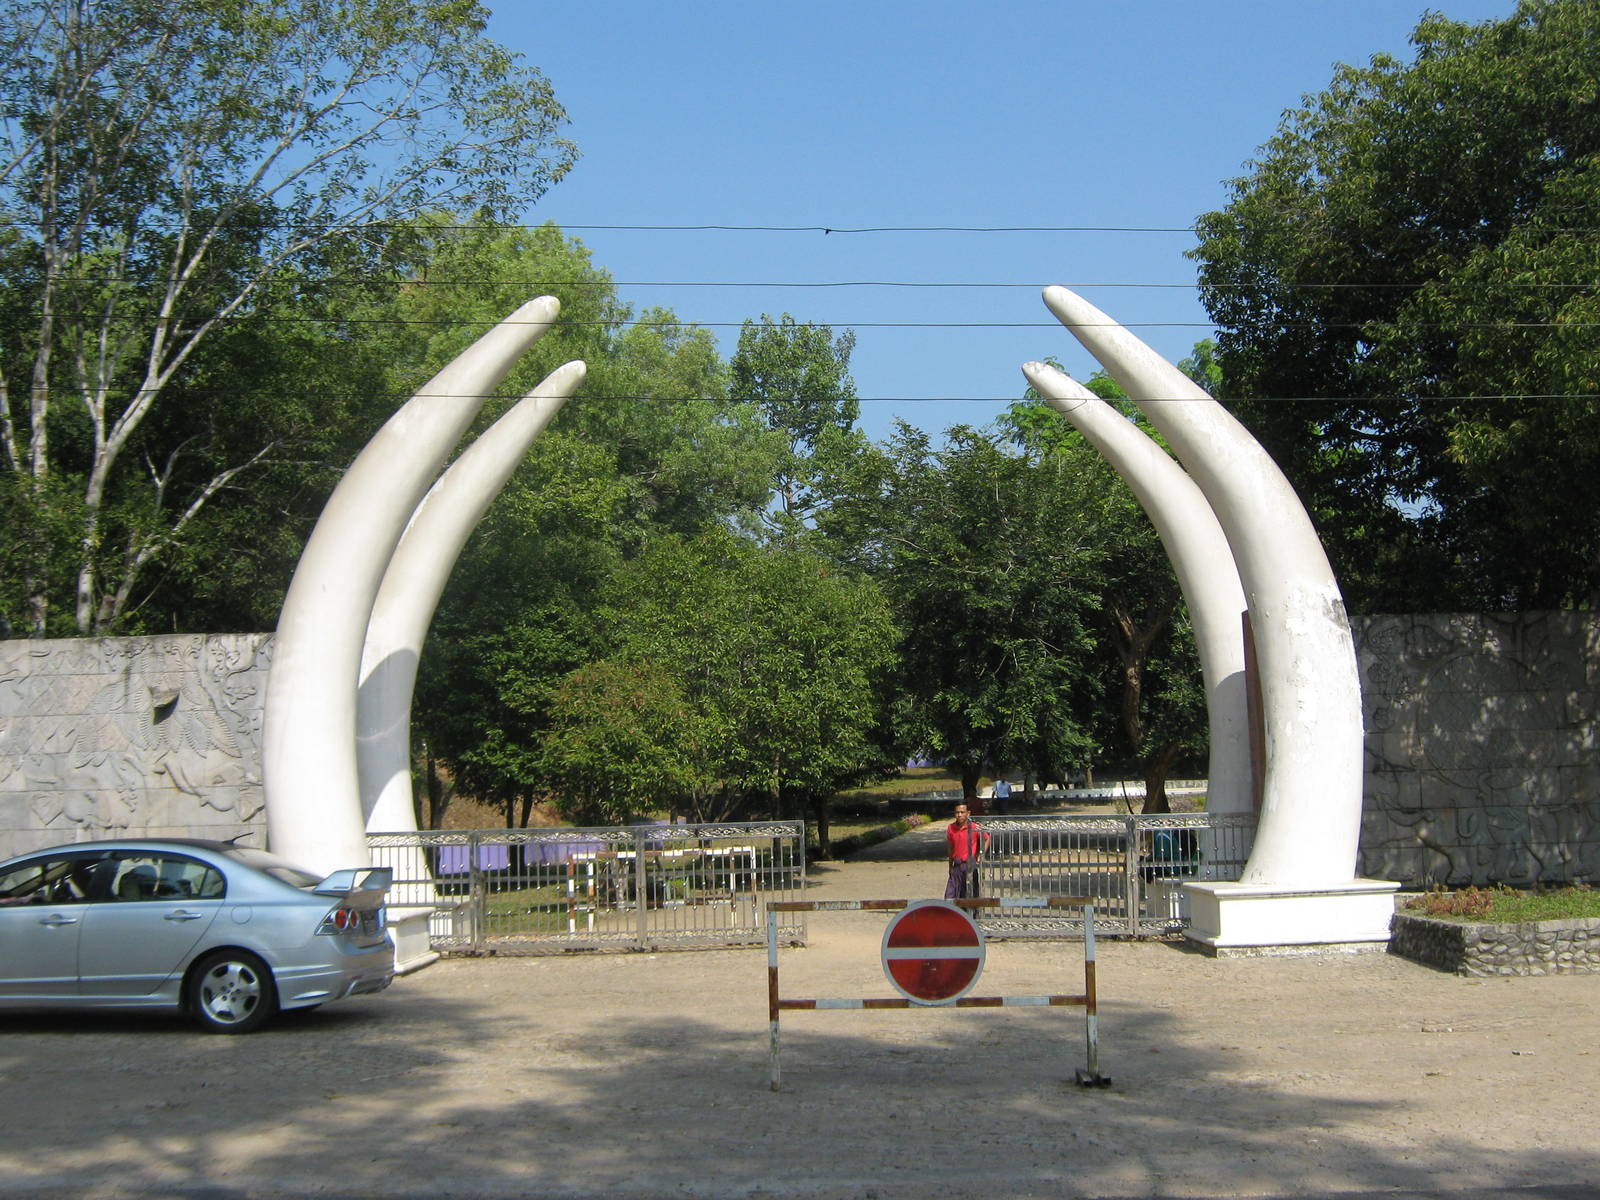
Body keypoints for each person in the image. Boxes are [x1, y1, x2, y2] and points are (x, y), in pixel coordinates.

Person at [944, 803, 991, 900]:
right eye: (957, 812)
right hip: (957, 865)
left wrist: (981, 854)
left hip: (969, 865)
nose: (959, 815)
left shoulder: (974, 827)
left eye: (962, 812)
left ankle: (973, 914)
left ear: (968, 813)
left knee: (970, 894)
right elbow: (950, 848)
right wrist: (950, 866)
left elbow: (987, 839)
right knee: (950, 895)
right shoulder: (951, 828)